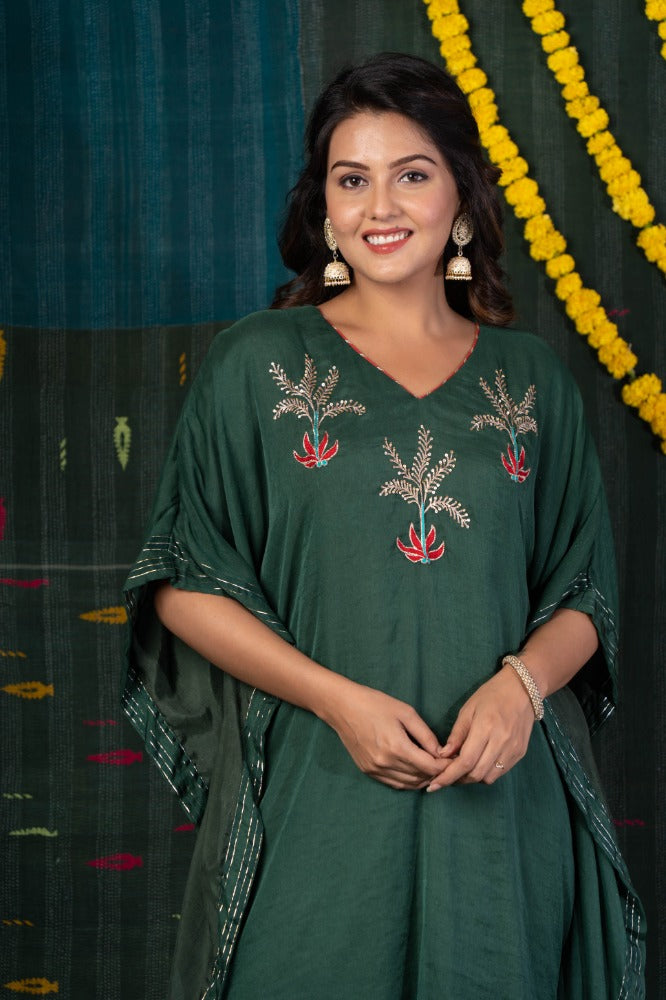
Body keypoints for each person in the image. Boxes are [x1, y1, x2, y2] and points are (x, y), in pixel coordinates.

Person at [122, 52, 645, 999]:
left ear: (461, 197)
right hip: (318, 789)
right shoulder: (255, 363)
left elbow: (584, 591)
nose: (379, 207)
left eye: (411, 174)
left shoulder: (531, 380)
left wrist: (521, 690)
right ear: (324, 208)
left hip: (501, 804)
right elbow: (185, 583)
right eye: (351, 180)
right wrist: (339, 703)